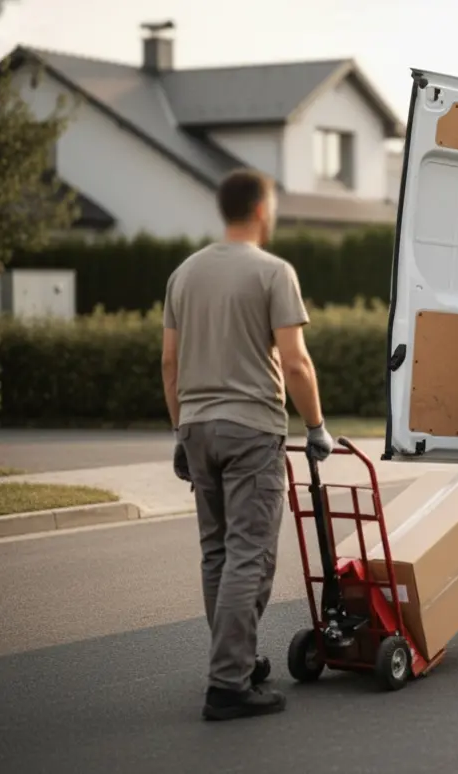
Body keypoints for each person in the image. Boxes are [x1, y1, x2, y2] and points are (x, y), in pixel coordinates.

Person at [162, 168, 334, 722]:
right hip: (251, 428)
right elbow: (295, 360)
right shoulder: (273, 272)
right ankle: (229, 683)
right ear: (262, 210)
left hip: (197, 424)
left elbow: (169, 362)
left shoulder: (184, 274)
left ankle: (235, 660)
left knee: (217, 552)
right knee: (249, 555)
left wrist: (181, 431)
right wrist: (315, 425)